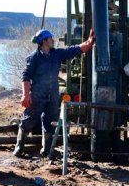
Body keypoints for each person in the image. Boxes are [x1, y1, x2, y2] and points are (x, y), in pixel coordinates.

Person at [13, 28, 95, 158]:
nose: (53, 40)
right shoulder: (34, 58)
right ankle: (19, 147)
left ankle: (46, 150)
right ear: (44, 41)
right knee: (28, 120)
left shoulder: (56, 54)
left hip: (52, 95)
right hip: (37, 95)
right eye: (50, 38)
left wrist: (89, 42)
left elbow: (73, 50)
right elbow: (26, 77)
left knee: (50, 121)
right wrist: (25, 94)